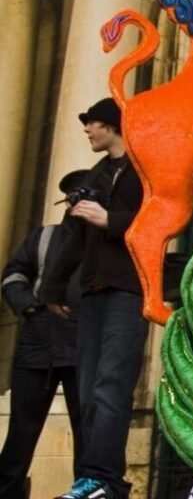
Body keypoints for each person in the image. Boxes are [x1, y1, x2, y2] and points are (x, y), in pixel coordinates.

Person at [41, 97, 147, 499]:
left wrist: (111, 220)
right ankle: (98, 480)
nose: (87, 130)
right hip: (92, 293)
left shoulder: (144, 168)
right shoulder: (97, 175)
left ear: (113, 126)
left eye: (94, 123)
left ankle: (102, 479)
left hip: (128, 290)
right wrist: (53, 288)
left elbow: (162, 218)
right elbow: (73, 238)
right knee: (87, 391)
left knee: (110, 386)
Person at [0, 170, 90, 499]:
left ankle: (86, 491)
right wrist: (28, 307)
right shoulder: (44, 236)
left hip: (83, 343)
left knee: (88, 432)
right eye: (74, 195)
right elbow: (14, 274)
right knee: (21, 431)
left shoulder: (103, 240)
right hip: (38, 341)